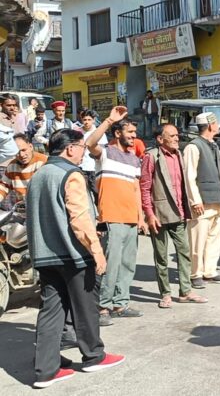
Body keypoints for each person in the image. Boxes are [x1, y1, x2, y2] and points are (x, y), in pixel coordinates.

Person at [28, 129, 125, 389]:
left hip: (45, 256)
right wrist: (96, 250)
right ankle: (94, 355)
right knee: (86, 307)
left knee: (50, 312)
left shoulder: (38, 175)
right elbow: (80, 218)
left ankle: (46, 370)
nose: (83, 151)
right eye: (81, 146)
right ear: (70, 148)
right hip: (73, 254)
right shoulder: (70, 174)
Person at [86, 107, 148, 326]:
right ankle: (103, 307)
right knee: (110, 264)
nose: (133, 136)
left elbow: (136, 189)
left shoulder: (134, 159)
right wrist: (108, 120)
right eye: (129, 132)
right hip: (111, 217)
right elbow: (89, 144)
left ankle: (121, 303)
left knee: (128, 263)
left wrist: (141, 217)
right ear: (117, 133)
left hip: (131, 217)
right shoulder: (105, 153)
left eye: (134, 132)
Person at [141, 124, 207, 308]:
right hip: (160, 215)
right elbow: (145, 187)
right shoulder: (151, 156)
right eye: (172, 135)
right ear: (160, 139)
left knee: (184, 252)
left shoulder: (179, 155)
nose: (177, 138)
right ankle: (166, 294)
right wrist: (149, 214)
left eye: (177, 135)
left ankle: (185, 291)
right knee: (161, 257)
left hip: (178, 213)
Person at [183, 112, 220, 288]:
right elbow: (189, 176)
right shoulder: (193, 147)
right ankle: (195, 273)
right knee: (197, 239)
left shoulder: (214, 146)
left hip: (217, 200)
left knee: (214, 237)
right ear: (210, 125)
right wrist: (195, 200)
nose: (218, 125)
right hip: (202, 201)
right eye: (216, 122)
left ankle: (210, 270)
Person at [0, 133, 47, 207]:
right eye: (17, 152)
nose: (21, 155)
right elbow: (3, 187)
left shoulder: (44, 162)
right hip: (22, 208)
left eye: (24, 150)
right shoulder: (12, 166)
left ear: (31, 146)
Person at [78, 110, 106, 197]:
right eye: (84, 119)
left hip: (94, 167)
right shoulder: (77, 132)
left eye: (89, 119)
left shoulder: (99, 133)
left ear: (93, 120)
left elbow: (103, 150)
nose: (86, 122)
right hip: (81, 166)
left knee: (96, 191)